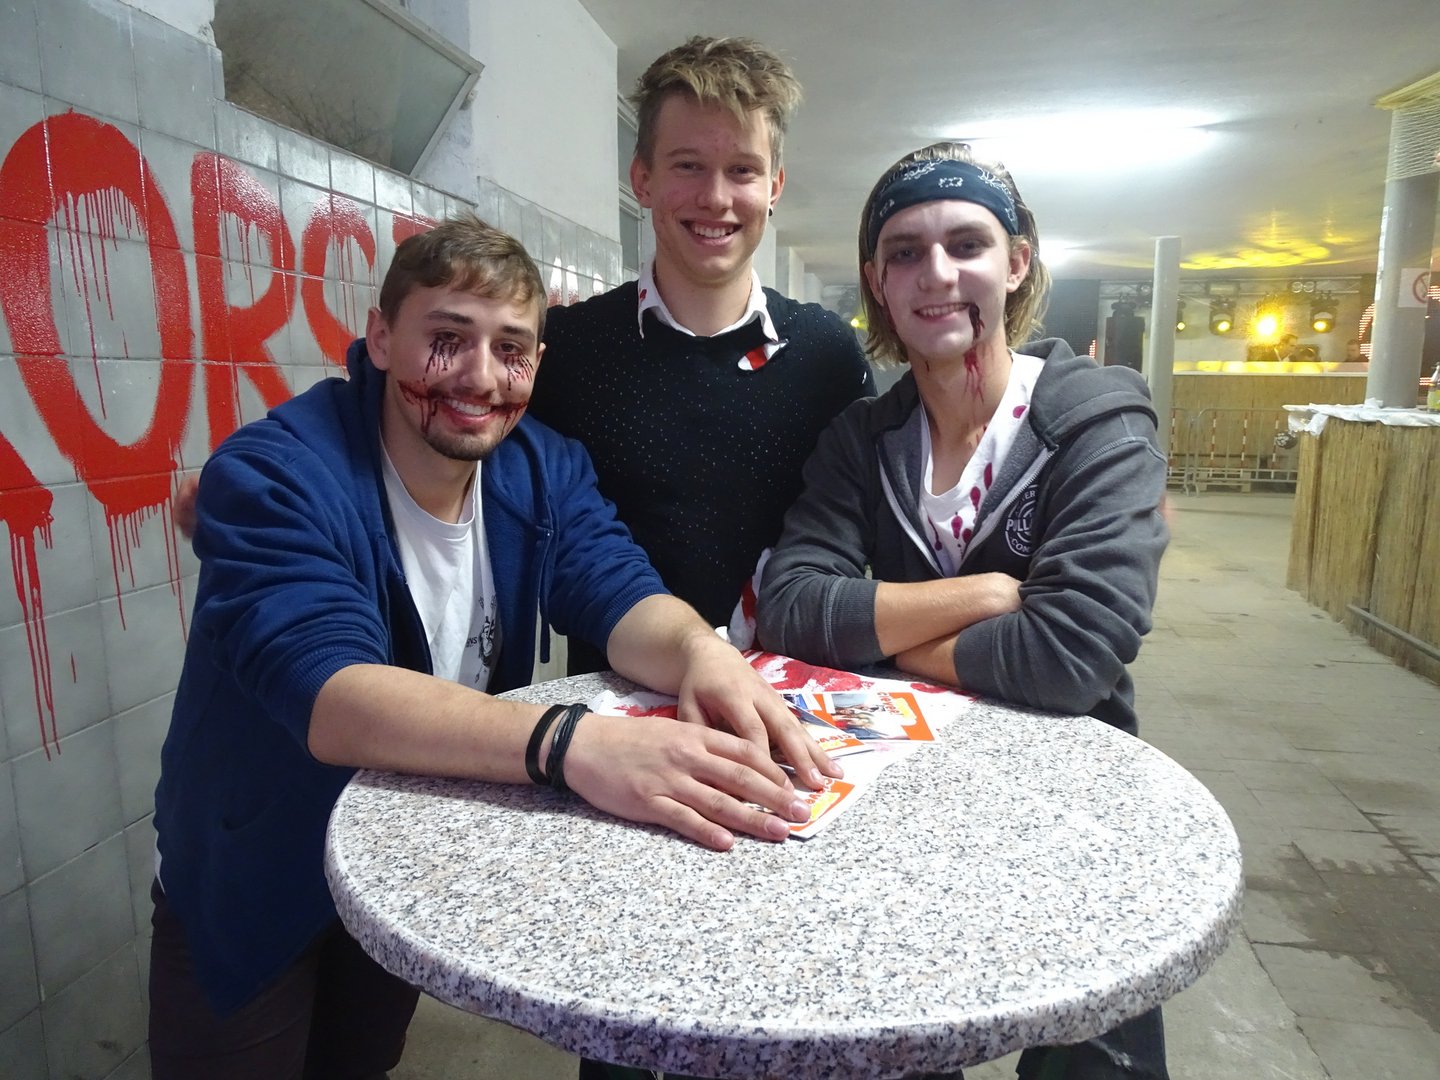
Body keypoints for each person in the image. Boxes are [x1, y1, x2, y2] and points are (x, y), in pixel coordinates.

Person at [148, 214, 838, 1079]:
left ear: (536, 365)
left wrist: (703, 653)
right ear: (382, 338)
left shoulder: (539, 468)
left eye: (510, 350)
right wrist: (574, 744)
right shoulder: (276, 473)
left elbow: (619, 591)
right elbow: (336, 696)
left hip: (392, 855)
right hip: (253, 871)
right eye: (447, 339)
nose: (479, 377)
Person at [757, 142, 1171, 1078]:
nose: (936, 274)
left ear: (1016, 263)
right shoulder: (864, 438)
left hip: (1075, 803)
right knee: (895, 1045)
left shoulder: (1097, 421)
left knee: (1091, 1058)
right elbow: (791, 607)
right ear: (876, 280)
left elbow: (1071, 655)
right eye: (904, 252)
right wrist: (986, 596)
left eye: (967, 245)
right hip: (904, 796)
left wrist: (883, 640)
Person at [527, 36, 875, 674]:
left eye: (742, 170)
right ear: (642, 179)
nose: (716, 197)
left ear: (774, 186)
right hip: (616, 706)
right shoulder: (568, 351)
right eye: (688, 165)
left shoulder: (828, 358)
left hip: (801, 698)